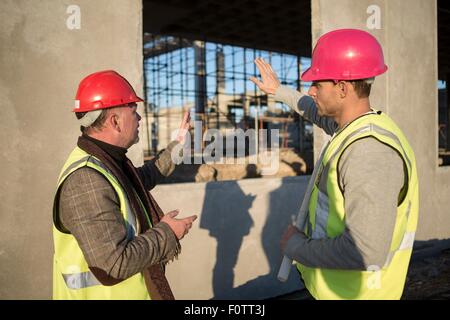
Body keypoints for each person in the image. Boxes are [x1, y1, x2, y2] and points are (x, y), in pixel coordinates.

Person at [251, 29, 419, 300]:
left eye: (318, 83)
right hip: (335, 290)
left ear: (343, 88)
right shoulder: (354, 127)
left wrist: (297, 247)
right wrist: (279, 91)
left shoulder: (368, 151)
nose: (311, 90)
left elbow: (365, 250)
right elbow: (312, 109)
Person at [53, 70, 197, 300]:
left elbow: (144, 177)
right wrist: (167, 232)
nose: (139, 118)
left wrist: (179, 143)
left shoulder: (108, 162)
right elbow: (113, 265)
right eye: (134, 111)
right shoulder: (86, 179)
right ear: (115, 121)